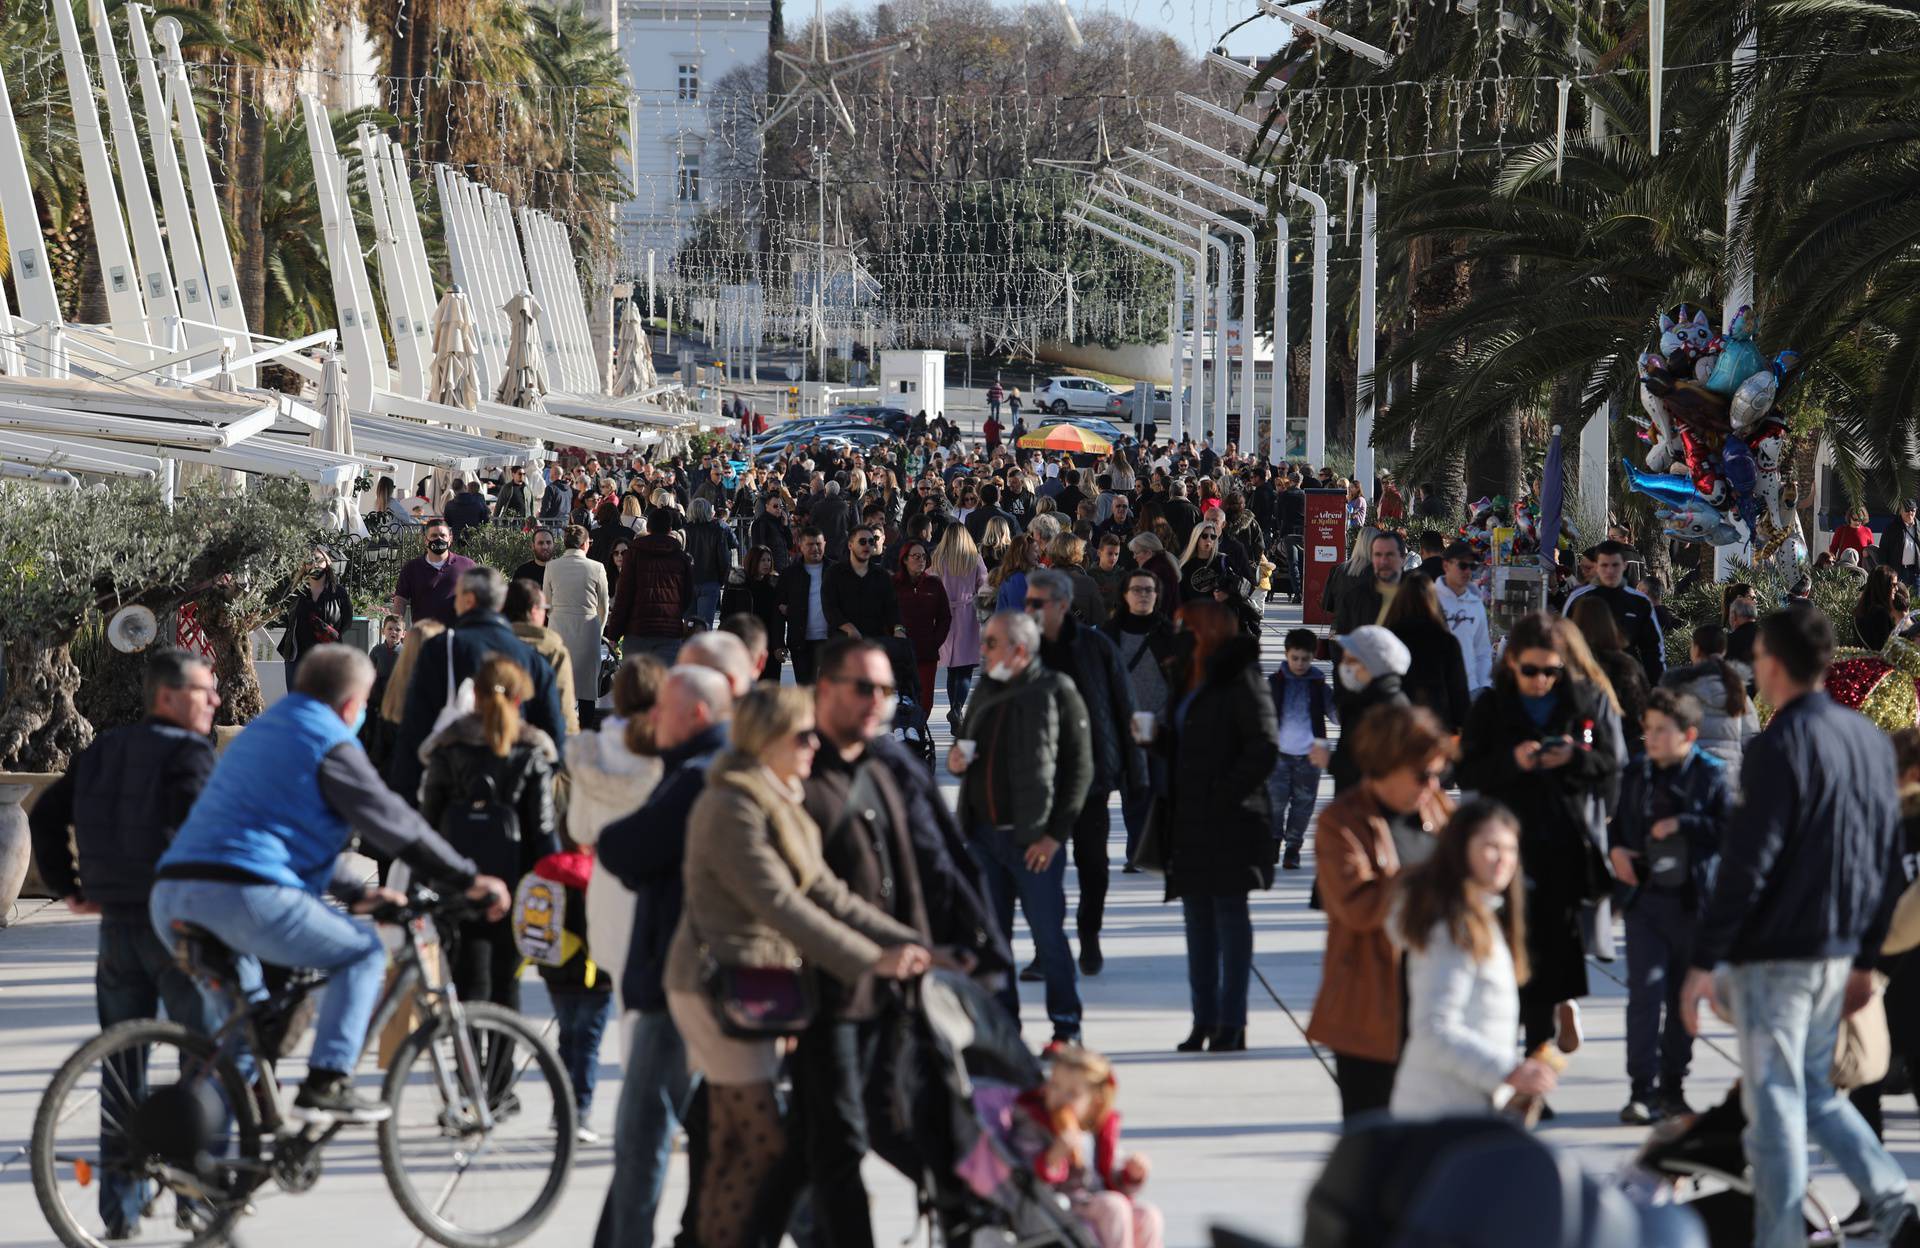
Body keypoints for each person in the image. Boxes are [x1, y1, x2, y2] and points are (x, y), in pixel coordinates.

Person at [149, 646, 510, 1123]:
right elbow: (394, 822)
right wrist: (467, 878)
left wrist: (356, 891)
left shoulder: (263, 732)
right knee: (362, 951)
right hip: (241, 893)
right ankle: (327, 1081)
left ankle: (204, 1165)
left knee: (249, 1036)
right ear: (350, 705)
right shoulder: (329, 740)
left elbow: (275, 833)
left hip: (174, 891)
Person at [1678, 609, 1920, 1248]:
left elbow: (1748, 859)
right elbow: (1881, 854)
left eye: (1757, 658)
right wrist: (1866, 956)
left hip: (1779, 953)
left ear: (1774, 664)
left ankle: (1779, 1236)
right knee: (1812, 1091)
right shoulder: (1869, 740)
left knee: (1779, 1102)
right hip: (1838, 949)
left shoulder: (1779, 744)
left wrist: (1705, 958)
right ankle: (1895, 1203)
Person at [664, 686, 931, 1248]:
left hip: (756, 985)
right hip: (717, 989)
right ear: (767, 740)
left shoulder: (776, 794)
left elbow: (826, 891)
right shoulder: (732, 805)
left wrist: (912, 942)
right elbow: (781, 904)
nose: (815, 744)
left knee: (739, 1146)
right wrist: (872, 960)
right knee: (763, 1145)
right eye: (803, 735)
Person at [758, 638, 1004, 1245]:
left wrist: (970, 949)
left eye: (886, 690)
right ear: (824, 690)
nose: (876, 701)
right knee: (840, 1142)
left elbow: (940, 864)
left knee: (837, 1139)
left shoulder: (892, 766)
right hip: (829, 993)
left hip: (900, 986)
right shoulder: (797, 776)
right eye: (862, 687)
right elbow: (798, 896)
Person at [28, 650, 224, 1238]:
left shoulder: (105, 749)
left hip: (117, 930)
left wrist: (71, 888)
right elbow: (203, 839)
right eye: (203, 691)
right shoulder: (190, 755)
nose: (214, 700)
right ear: (166, 696)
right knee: (205, 1063)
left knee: (120, 1068)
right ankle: (200, 1193)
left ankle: (122, 1206)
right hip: (179, 932)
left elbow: (45, 814)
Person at [593, 666, 734, 1248]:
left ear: (697, 714)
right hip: (681, 974)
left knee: (643, 1136)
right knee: (715, 1127)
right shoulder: (696, 769)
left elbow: (625, 846)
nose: (653, 719)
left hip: (676, 978)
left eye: (666, 709)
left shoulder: (699, 777)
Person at [1454, 612, 1622, 1059]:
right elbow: (1467, 771)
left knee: (1549, 959)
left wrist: (1572, 758)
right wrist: (1514, 761)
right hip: (1504, 845)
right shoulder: (1490, 706)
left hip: (1561, 844)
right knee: (1507, 958)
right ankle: (1512, 1056)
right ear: (1511, 663)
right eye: (1531, 670)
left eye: (1552, 671)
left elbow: (1608, 764)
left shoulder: (1581, 701)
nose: (1542, 680)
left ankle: (1536, 1060)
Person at [1305, 704, 1454, 1117]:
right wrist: (1422, 878)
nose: (1433, 784)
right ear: (1386, 764)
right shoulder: (1342, 822)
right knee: (1373, 1139)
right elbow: (1358, 907)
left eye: (1438, 774)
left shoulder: (1437, 808)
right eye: (1423, 774)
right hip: (1370, 1006)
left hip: (1435, 999)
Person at [952, 611, 1094, 1046]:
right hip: (983, 838)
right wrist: (958, 761)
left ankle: (1065, 1029)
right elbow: (967, 750)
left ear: (1018, 648)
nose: (983, 650)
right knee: (993, 944)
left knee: (1048, 939)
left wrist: (1054, 835)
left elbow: (1080, 771)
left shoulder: (1056, 691)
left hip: (1035, 841)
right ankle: (1004, 1030)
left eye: (991, 642)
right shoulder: (986, 688)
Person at [1151, 599, 1279, 1053]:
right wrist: (1157, 738)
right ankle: (1202, 1019)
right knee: (1197, 921)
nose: (1179, 634)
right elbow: (1188, 743)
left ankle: (1232, 1021)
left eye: (1187, 627)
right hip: (1190, 816)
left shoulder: (1242, 677)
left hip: (1231, 818)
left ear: (1209, 631)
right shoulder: (1188, 676)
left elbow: (1264, 746)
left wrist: (1224, 793)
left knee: (1227, 915)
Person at [1390, 800, 1556, 1118]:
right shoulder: (1452, 928)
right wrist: (1509, 1071)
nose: (1503, 860)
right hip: (1439, 1112)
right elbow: (1434, 1028)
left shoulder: (1483, 918)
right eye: (1490, 847)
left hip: (1466, 1108)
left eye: (1510, 848)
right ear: (1460, 849)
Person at [1608, 688, 1728, 1125]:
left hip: (1692, 902)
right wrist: (1618, 851)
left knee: (1682, 998)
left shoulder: (1711, 775)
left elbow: (1728, 830)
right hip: (1646, 901)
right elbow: (1618, 828)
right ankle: (1641, 1089)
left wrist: (1682, 823)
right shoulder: (1637, 773)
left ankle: (1672, 1086)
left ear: (1689, 735)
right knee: (1645, 993)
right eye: (1648, 728)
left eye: (1662, 730)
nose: (1651, 738)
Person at [419, 656, 560, 1014]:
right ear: (518, 699)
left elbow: (429, 823)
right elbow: (542, 832)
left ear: (475, 695)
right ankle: (498, 1069)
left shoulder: (447, 749)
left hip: (458, 883)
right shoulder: (531, 752)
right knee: (505, 986)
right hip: (513, 886)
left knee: (467, 986)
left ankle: (469, 1069)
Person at [1028, 569, 1146, 978]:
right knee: (1042, 869)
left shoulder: (1096, 646)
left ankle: (1089, 934)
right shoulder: (1023, 649)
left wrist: (1136, 773)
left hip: (1090, 776)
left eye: (1035, 603)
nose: (1028, 610)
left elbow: (1124, 707)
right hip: (1039, 778)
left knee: (1093, 864)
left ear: (1061, 604)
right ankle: (1047, 949)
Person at [566, 654, 664, 1031]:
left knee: (624, 1008)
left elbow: (578, 829)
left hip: (607, 889)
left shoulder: (592, 753)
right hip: (657, 894)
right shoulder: (671, 756)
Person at [1010, 1045, 1164, 1248]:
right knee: (1114, 1206)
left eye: (1072, 1093)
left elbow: (1112, 1177)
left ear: (1095, 1103)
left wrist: (1131, 1172)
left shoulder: (1095, 1130)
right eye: (1054, 1085)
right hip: (1060, 1204)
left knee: (1147, 1215)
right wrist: (1053, 1157)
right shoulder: (1035, 1123)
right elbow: (1026, 1169)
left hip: (1094, 1201)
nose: (1059, 1096)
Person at [1268, 627, 1333, 872]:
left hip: (1310, 756)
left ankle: (1293, 846)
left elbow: (1335, 714)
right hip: (1279, 755)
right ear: (1287, 655)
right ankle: (1273, 839)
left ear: (1313, 656)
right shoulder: (1275, 683)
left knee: (1303, 805)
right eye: (1295, 658)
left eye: (1305, 659)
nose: (1299, 663)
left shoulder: (1318, 685)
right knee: (1275, 802)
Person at [1658, 622, 1759, 773]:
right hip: (1729, 773)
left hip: (1689, 772)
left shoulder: (1680, 687)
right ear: (1723, 651)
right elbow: (1750, 737)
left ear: (1696, 649)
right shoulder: (1736, 687)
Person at [1562, 539, 1665, 681]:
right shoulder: (1579, 598)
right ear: (1597, 567)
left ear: (1624, 565)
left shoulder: (1640, 602)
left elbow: (1652, 649)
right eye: (1604, 565)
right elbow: (1565, 640)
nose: (1610, 571)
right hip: (1587, 679)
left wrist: (1656, 685)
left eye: (1615, 565)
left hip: (1626, 680)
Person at [1326, 626, 1412, 795]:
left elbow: (1364, 766)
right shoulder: (1363, 699)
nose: (1344, 666)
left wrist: (1329, 761)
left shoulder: (1379, 710)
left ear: (1371, 665)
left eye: (1351, 660)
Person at [1382, 573, 1472, 732]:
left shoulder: (1388, 638)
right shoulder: (1447, 641)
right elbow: (1458, 692)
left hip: (1396, 725)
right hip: (1436, 725)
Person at [606, 509, 696, 665]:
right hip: (669, 630)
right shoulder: (680, 557)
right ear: (670, 529)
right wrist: (674, 612)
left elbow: (624, 595)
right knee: (665, 684)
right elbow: (688, 594)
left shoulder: (634, 554)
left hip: (637, 630)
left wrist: (614, 633)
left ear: (648, 528)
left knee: (638, 684)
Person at [544, 524, 610, 730]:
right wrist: (598, 631)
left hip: (558, 628)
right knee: (587, 689)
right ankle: (585, 732)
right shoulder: (597, 567)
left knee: (559, 683)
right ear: (585, 544)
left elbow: (546, 601)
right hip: (587, 627)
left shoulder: (551, 566)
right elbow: (604, 606)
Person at [1570, 594, 1651, 758]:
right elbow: (1641, 708)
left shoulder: (1571, 665)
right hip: (1622, 746)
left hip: (1578, 748)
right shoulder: (1627, 664)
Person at [506, 578, 580, 734]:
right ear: (534, 611)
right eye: (545, 607)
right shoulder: (553, 650)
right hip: (541, 743)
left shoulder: (492, 644)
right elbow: (564, 708)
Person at [894, 538, 952, 706]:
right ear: (905, 559)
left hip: (926, 652)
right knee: (901, 700)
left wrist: (935, 642)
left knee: (925, 700)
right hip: (899, 653)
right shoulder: (893, 585)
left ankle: (919, 730)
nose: (921, 560)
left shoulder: (934, 584)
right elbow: (885, 615)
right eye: (916, 556)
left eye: (924, 557)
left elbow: (945, 617)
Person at [823, 521, 903, 640]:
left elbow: (892, 608)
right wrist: (849, 628)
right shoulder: (834, 573)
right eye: (862, 541)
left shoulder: (882, 575)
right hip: (843, 643)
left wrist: (898, 629)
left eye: (871, 542)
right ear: (850, 545)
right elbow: (830, 608)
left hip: (874, 641)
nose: (867, 545)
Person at [1434, 542, 1493, 698]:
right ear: (1446, 566)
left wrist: (1484, 686)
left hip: (1470, 691)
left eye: (1472, 566)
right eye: (1462, 565)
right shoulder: (1429, 599)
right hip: (1437, 691)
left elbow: (1483, 651)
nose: (1467, 571)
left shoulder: (1476, 604)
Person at [391, 521, 478, 627]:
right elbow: (400, 601)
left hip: (457, 636)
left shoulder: (467, 565)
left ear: (450, 539)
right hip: (423, 636)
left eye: (443, 535)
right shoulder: (412, 568)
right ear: (425, 540)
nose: (439, 539)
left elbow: (479, 599)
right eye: (434, 536)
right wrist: (396, 627)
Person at [286, 548, 352, 680]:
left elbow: (347, 622)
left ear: (327, 563)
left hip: (329, 658)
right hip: (298, 659)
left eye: (319, 561)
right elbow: (286, 618)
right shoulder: (295, 592)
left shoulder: (338, 593)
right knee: (298, 700)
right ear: (304, 566)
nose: (314, 565)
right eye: (310, 561)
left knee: (326, 699)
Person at [779, 526, 834, 684]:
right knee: (805, 690)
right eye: (810, 544)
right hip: (800, 642)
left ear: (825, 544)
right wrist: (778, 643)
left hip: (829, 641)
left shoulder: (836, 571)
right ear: (800, 546)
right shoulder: (790, 574)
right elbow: (778, 610)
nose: (815, 549)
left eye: (819, 544)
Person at [726, 545, 786, 683]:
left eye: (769, 560)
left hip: (768, 641)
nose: (766, 564)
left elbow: (778, 619)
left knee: (769, 685)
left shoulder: (774, 584)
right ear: (753, 561)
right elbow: (727, 614)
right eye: (762, 560)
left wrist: (779, 644)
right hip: (745, 640)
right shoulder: (738, 585)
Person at [1332, 530, 1406, 637]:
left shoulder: (1416, 592)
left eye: (1390, 555)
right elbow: (1344, 635)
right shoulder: (1355, 597)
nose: (1383, 561)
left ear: (1402, 558)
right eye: (1378, 555)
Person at [684, 497, 737, 629]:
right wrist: (722, 578)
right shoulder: (718, 529)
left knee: (689, 627)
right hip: (710, 580)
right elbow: (723, 556)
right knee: (705, 626)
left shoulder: (685, 530)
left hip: (688, 581)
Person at [1128, 532, 1181, 611]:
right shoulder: (1162, 565)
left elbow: (1160, 605)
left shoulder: (1158, 572)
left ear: (1148, 553)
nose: (1134, 557)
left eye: (1136, 553)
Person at [1857, 564, 1903, 650]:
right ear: (1883, 586)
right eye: (1893, 585)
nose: (1896, 589)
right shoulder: (1880, 614)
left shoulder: (1862, 609)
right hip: (1877, 661)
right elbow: (1884, 647)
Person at [1879, 498, 1920, 586]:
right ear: (1901, 511)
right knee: (1900, 597)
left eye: (1912, 510)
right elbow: (1883, 550)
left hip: (1916, 571)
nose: (1910, 513)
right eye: (1907, 510)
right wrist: (1885, 571)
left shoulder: (1919, 527)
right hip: (1898, 571)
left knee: (1917, 598)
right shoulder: (1892, 528)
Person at [750, 494, 794, 573]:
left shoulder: (781, 522)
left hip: (783, 567)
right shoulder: (761, 523)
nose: (778, 509)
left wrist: (786, 526)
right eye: (775, 506)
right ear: (767, 506)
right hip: (770, 570)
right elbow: (759, 548)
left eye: (781, 506)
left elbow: (790, 545)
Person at [443, 477, 492, 543]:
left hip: (457, 537)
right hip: (475, 537)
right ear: (465, 487)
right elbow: (486, 520)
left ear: (453, 490)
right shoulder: (478, 503)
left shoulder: (449, 505)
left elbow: (448, 522)